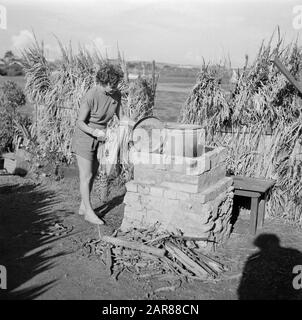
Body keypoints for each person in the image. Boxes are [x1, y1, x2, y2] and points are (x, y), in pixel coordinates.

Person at [72, 63, 124, 225]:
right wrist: (95, 132)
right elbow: (80, 122)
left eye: (116, 84)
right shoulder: (91, 95)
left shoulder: (116, 95)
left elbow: (123, 117)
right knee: (86, 176)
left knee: (93, 174)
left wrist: (138, 126)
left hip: (102, 138)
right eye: (111, 84)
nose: (114, 88)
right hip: (85, 137)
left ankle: (83, 206)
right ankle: (88, 212)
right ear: (102, 81)